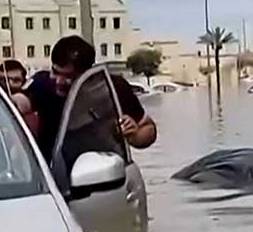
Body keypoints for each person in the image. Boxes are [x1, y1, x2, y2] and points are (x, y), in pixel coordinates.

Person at [13, 35, 156, 160]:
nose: (59, 81)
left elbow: (148, 128)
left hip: (104, 175)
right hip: (53, 176)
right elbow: (21, 101)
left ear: (87, 74)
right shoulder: (43, 84)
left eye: (69, 77)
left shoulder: (113, 87)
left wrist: (135, 134)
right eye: (56, 72)